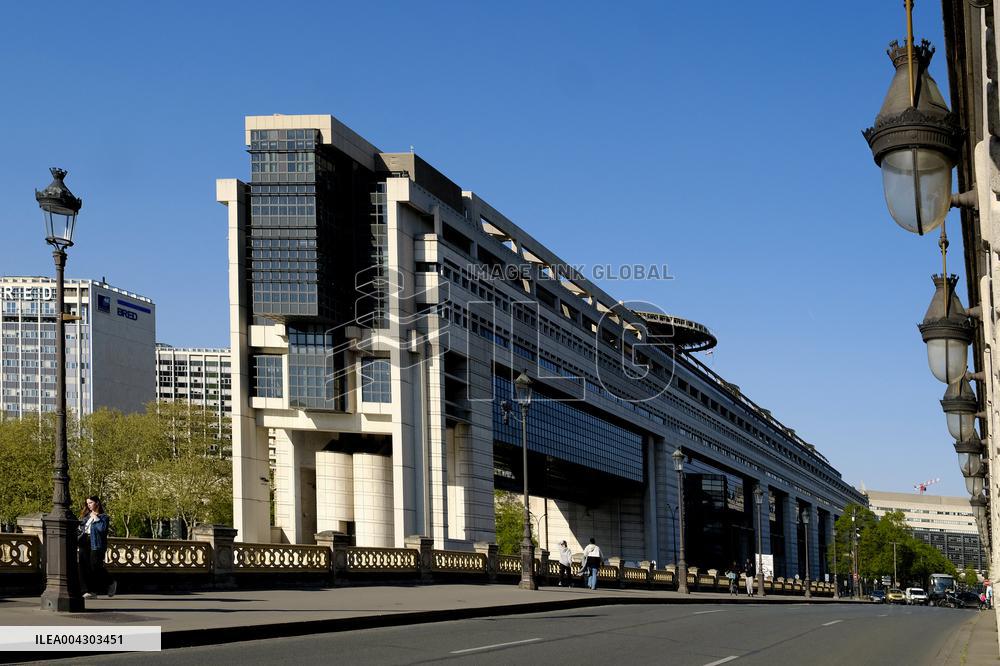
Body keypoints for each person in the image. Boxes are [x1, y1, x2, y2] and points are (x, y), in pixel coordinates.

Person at [78, 496, 116, 599]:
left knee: (95, 565)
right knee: (83, 566)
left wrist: (96, 518)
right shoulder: (86, 516)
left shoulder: (104, 517)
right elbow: (81, 528)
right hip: (84, 542)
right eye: (87, 503)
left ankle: (110, 582)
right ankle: (88, 591)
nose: (89, 505)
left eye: (91, 503)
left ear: (97, 503)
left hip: (96, 543)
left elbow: (102, 529)